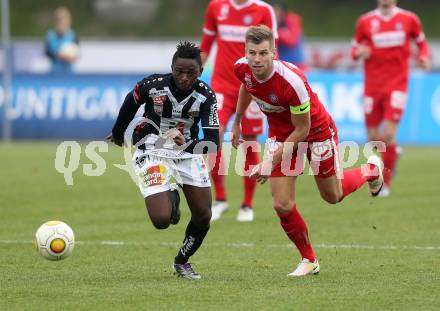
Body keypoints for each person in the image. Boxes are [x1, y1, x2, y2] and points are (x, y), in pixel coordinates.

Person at [231, 25, 384, 276]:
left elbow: (302, 130)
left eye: (263, 53)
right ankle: (309, 259)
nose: (257, 59)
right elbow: (246, 86)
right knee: (281, 204)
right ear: (246, 52)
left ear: (274, 53)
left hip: (316, 133)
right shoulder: (242, 67)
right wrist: (237, 120)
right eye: (252, 53)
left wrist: (270, 160)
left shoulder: (292, 81)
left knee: (332, 196)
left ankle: (371, 169)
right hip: (280, 135)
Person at [108, 42, 220, 280]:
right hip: (152, 148)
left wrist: (186, 144)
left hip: (186, 152)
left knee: (203, 215)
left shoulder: (206, 96)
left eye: (191, 73)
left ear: (200, 71)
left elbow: (212, 143)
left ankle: (182, 261)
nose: (184, 77)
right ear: (171, 68)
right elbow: (131, 102)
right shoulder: (152, 85)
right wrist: (118, 133)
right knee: (161, 220)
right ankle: (171, 196)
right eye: (179, 71)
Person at [200, 0, 278, 222]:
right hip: (223, 85)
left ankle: (247, 205)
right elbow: (205, 45)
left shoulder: (263, 10)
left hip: (254, 86)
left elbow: (274, 52)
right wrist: (192, 75)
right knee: (214, 134)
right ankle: (221, 199)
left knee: (250, 140)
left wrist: (267, 84)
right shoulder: (216, 7)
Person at [351, 0, 430, 197]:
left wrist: (424, 57)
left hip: (397, 84)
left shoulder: (409, 19)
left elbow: (421, 43)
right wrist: (359, 52)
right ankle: (393, 152)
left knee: (388, 135)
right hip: (372, 86)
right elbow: (354, 49)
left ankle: (385, 183)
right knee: (373, 139)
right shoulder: (365, 21)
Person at [272, 0, 306, 70]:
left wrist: (275, 32)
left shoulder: (292, 20)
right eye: (273, 11)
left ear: (283, 12)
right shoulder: (271, 21)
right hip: (279, 65)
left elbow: (291, 40)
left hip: (296, 64)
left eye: (277, 11)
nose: (275, 14)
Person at [45, 7, 79, 72]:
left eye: (64, 19)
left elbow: (77, 52)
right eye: (59, 20)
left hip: (69, 72)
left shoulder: (72, 35)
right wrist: (59, 55)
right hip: (54, 72)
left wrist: (71, 57)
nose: (62, 22)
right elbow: (47, 53)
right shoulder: (50, 35)